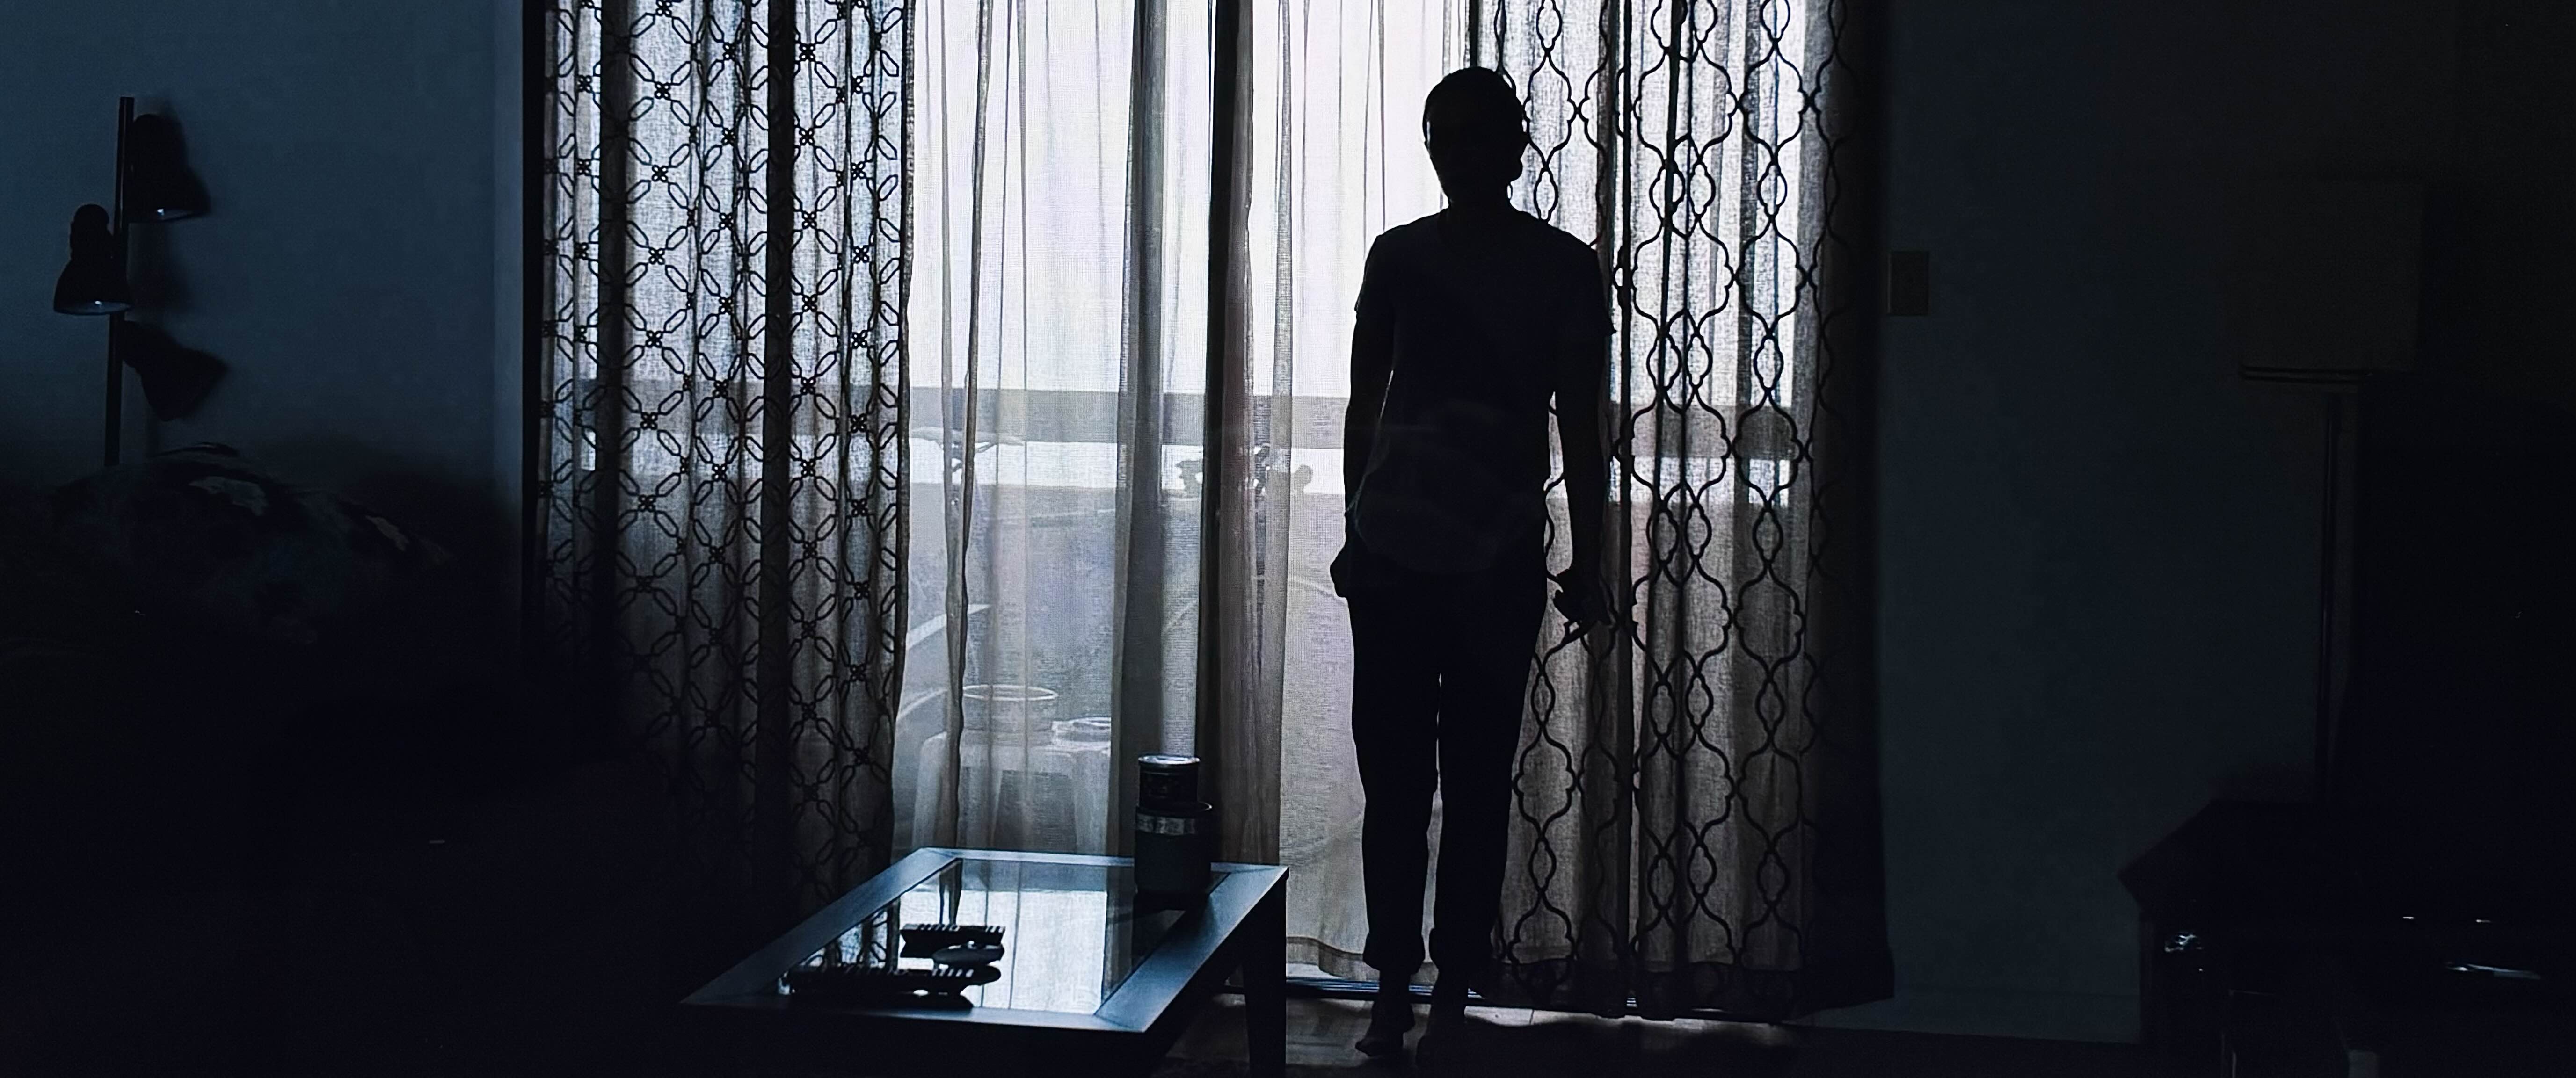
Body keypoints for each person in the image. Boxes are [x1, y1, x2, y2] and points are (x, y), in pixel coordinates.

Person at [1332, 66, 1615, 1067]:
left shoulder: (1562, 268)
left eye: (1471, 135)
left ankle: (1448, 980)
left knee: (1477, 783)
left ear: (1514, 147)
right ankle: (1397, 985)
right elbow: (1365, 403)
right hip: (1399, 556)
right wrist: (1355, 526)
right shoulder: (1400, 256)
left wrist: (1592, 552)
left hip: (1491, 561)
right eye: (1441, 137)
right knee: (1396, 784)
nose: (1454, 154)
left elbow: (1582, 424)